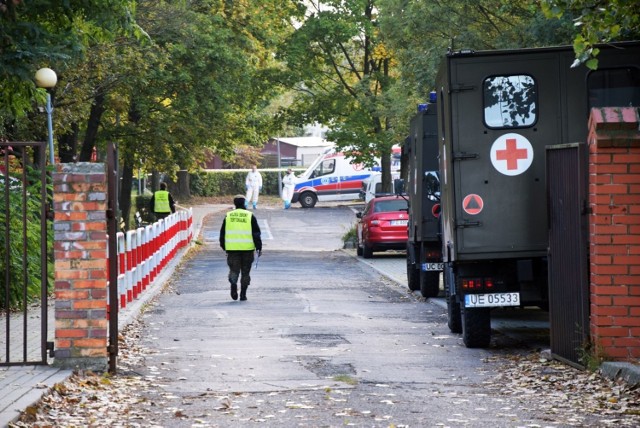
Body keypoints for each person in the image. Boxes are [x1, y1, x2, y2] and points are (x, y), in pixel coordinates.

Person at [220, 194, 262, 301]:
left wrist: (224, 246)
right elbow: (256, 233)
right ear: (244, 203)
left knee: (234, 271)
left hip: (232, 250)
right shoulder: (249, 216)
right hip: (247, 250)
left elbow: (222, 233)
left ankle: (233, 286)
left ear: (234, 203)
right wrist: (258, 247)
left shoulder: (228, 216)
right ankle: (243, 294)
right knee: (245, 272)